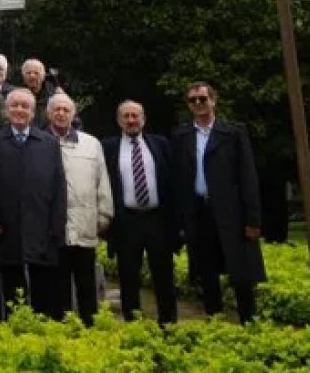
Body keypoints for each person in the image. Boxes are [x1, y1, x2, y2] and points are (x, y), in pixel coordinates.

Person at [171, 82, 265, 324]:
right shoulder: (181, 136)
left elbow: (248, 176)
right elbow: (178, 180)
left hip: (232, 213)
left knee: (241, 274)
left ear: (213, 100)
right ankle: (215, 324)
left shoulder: (233, 133)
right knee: (207, 273)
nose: (198, 104)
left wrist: (253, 219)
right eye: (193, 100)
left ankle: (249, 323)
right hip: (199, 212)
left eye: (202, 99)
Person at [0, 89, 67, 320]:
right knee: (11, 285)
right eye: (15, 105)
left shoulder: (48, 143)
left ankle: (41, 329)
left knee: (43, 286)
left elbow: (59, 186)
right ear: (7, 110)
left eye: (25, 106)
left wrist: (57, 224)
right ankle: (15, 331)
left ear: (32, 112)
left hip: (41, 224)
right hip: (7, 225)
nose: (19, 110)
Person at [102, 100, 178, 324]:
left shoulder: (161, 144)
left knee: (163, 275)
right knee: (128, 276)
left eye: (135, 116)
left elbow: (172, 182)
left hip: (158, 219)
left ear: (143, 119)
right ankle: (133, 324)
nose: (131, 120)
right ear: (118, 121)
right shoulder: (108, 147)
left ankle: (168, 323)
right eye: (126, 116)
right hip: (127, 220)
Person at [46, 93, 112, 326]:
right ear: (48, 113)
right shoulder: (41, 141)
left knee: (87, 284)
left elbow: (102, 181)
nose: (61, 113)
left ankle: (89, 328)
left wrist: (104, 214)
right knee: (58, 285)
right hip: (53, 229)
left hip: (85, 224)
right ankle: (62, 330)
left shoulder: (91, 143)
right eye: (57, 109)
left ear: (73, 114)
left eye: (66, 109)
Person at [20, 59, 57, 130]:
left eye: (36, 73)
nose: (32, 76)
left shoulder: (55, 96)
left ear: (43, 76)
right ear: (23, 77)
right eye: (28, 73)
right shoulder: (16, 97)